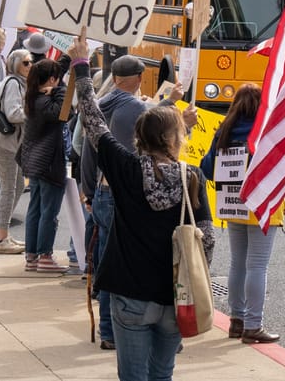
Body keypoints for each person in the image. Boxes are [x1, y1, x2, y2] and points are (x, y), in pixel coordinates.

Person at [69, 27, 214, 380]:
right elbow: (206, 239)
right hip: (173, 295)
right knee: (162, 374)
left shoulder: (126, 169)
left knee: (132, 376)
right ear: (177, 138)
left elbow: (92, 120)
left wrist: (82, 65)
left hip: (130, 293)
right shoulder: (192, 177)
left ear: (138, 137)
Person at [79, 55, 189, 351]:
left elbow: (91, 145)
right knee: (127, 257)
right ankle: (118, 329)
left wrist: (87, 189)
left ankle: (108, 331)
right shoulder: (136, 109)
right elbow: (152, 123)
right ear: (139, 78)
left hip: (101, 190)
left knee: (107, 257)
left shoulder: (102, 106)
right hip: (121, 192)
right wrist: (173, 108)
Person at [200, 84, 285, 344]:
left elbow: (207, 168)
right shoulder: (266, 135)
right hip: (262, 205)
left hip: (232, 204)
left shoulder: (223, 132)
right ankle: (253, 324)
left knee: (238, 263)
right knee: (257, 265)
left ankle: (236, 320)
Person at [17, 59, 73, 273]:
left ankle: (32, 256)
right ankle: (45, 256)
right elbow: (66, 113)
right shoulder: (46, 102)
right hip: (49, 163)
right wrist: (60, 90)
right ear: (51, 80)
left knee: (36, 210)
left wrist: (66, 61)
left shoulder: (33, 98)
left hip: (35, 162)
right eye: (58, 79)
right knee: (49, 212)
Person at [0, 49, 33, 254]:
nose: (30, 66)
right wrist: (34, 113)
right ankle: (2, 238)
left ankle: (1, 232)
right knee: (9, 189)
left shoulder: (16, 82)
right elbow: (14, 114)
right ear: (15, 64)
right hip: (6, 143)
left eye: (30, 62)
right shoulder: (13, 83)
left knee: (16, 187)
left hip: (10, 143)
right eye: (25, 62)